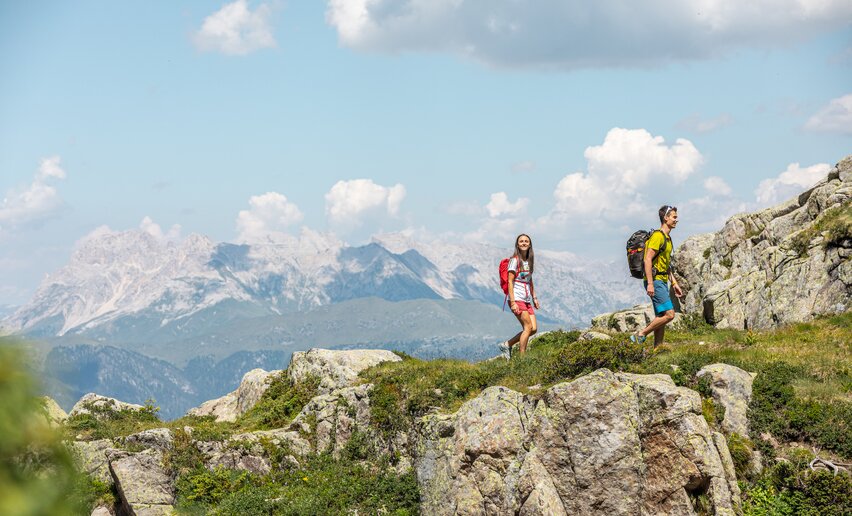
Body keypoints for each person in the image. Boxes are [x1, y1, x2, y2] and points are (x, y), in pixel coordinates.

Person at [631, 205, 683, 347]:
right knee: (669, 314)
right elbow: (648, 259)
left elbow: (666, 265)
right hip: (655, 280)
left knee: (661, 317)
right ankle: (641, 334)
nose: (676, 220)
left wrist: (674, 283)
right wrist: (650, 284)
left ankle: (657, 349)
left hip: (662, 280)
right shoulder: (657, 236)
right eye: (674, 217)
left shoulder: (668, 238)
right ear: (665, 218)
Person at [499, 234, 540, 358]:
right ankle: (522, 359)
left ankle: (507, 344)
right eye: (521, 241)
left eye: (526, 241)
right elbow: (510, 281)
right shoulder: (514, 260)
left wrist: (534, 298)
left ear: (530, 244)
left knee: (533, 329)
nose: (523, 243)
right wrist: (513, 302)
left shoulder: (528, 261)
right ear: (517, 244)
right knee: (527, 327)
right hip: (517, 298)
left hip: (527, 300)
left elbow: (529, 280)